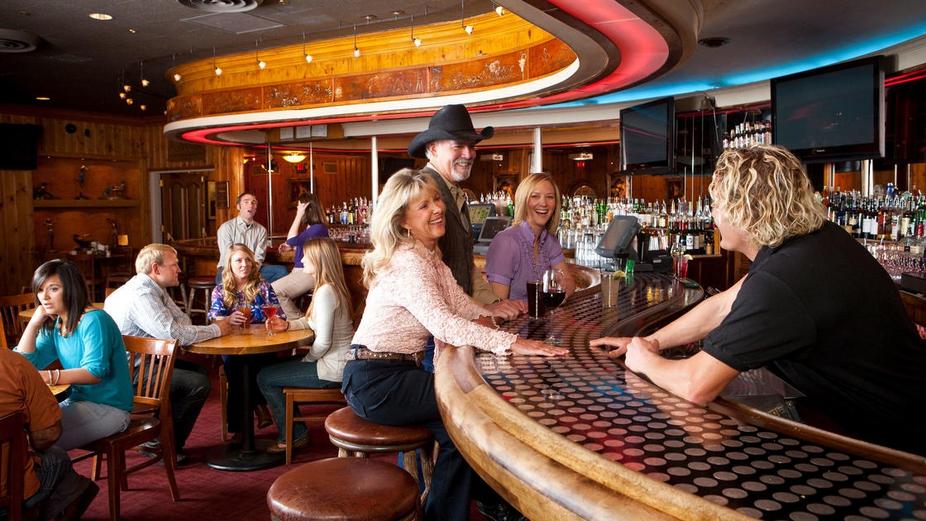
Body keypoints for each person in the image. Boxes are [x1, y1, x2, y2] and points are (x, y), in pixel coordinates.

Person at [591, 145, 926, 455]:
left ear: (745, 212)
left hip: (896, 450)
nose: (713, 216)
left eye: (717, 205)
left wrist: (643, 360)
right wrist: (651, 340)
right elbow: (724, 304)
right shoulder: (814, 242)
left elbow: (696, 385)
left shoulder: (784, 281)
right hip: (885, 418)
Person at [342, 169, 568, 521]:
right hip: (374, 381)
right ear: (403, 221)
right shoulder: (408, 263)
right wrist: (513, 343)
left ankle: (484, 501)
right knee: (471, 414)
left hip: (396, 372)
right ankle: (486, 503)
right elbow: (445, 324)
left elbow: (464, 307)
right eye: (423, 205)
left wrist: (497, 314)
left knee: (460, 434)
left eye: (436, 200)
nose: (437, 209)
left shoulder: (430, 258)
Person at [105, 243, 233, 463]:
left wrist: (178, 329)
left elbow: (183, 321)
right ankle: (164, 446)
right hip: (127, 376)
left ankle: (157, 436)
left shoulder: (154, 288)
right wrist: (217, 329)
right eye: (174, 265)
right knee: (197, 383)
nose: (179, 270)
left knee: (197, 372)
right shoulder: (141, 295)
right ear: (156, 268)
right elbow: (177, 335)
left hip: (142, 364)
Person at [15, 260, 133, 449]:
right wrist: (33, 324)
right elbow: (24, 362)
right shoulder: (57, 324)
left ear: (71, 289)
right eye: (40, 290)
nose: (44, 297)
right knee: (21, 432)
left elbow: (94, 372)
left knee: (35, 442)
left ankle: (63, 478)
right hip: (76, 401)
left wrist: (48, 376)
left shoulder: (94, 320)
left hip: (110, 408)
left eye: (53, 289)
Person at [259, 238, 353, 453]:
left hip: (332, 368)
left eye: (306, 256)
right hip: (334, 362)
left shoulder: (325, 292)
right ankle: (296, 432)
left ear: (318, 261)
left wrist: (306, 359)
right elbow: (312, 321)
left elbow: (324, 342)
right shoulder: (329, 288)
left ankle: (294, 436)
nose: (300, 259)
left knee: (264, 377)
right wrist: (287, 325)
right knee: (272, 369)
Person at [0, 346, 99, 520]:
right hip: (9, 493)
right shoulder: (12, 364)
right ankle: (76, 496)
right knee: (57, 456)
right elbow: (49, 433)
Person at [209, 244, 286, 436]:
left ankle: (238, 432)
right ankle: (259, 406)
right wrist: (228, 319)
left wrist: (272, 320)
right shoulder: (220, 290)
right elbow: (216, 320)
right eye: (238, 260)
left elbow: (280, 316)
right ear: (230, 264)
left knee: (248, 367)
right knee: (237, 365)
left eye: (247, 260)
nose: (244, 264)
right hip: (232, 346)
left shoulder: (264, 287)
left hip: (262, 346)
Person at [485, 173, 576, 302]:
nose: (543, 203)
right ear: (523, 201)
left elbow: (569, 282)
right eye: (535, 196)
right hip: (513, 321)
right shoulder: (506, 242)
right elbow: (499, 304)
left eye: (550, 197)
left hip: (542, 319)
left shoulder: (550, 241)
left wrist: (552, 300)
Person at [271, 193, 330, 319]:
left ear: (306, 208)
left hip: (310, 273)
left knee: (274, 291)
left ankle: (300, 322)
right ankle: (297, 322)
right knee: (271, 293)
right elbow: (297, 242)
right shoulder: (312, 228)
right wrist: (291, 246)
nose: (298, 209)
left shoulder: (318, 228)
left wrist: (298, 216)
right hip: (300, 271)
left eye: (299, 207)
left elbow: (292, 239)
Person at [216, 192, 288, 285]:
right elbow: (228, 256)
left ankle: (256, 293)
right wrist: (242, 272)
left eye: (253, 203)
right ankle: (250, 290)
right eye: (246, 202)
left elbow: (259, 257)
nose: (250, 205)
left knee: (281, 271)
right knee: (226, 282)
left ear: (255, 208)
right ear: (238, 206)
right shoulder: (226, 228)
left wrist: (249, 272)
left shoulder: (261, 230)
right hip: (229, 269)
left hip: (252, 269)